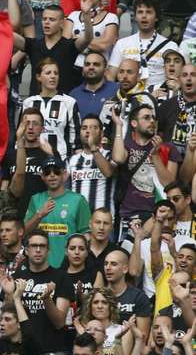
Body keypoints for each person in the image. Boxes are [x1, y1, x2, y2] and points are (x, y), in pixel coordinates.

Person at [112, 104, 180, 239]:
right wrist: (119, 126)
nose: (152, 121)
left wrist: (155, 156)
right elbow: (118, 158)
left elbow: (169, 184)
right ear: (134, 123)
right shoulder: (127, 146)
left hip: (158, 215)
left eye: (153, 118)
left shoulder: (167, 148)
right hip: (129, 215)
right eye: (146, 118)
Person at [22, 59, 82, 159]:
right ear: (38, 77)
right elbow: (22, 132)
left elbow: (76, 138)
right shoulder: (29, 102)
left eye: (56, 73)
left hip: (61, 159)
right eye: (48, 73)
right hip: (33, 158)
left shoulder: (69, 102)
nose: (53, 76)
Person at [70, 53, 119, 120]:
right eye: (87, 64)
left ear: (105, 69)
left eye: (96, 64)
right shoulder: (74, 95)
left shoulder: (117, 90)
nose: (91, 67)